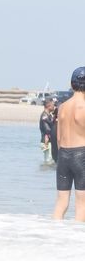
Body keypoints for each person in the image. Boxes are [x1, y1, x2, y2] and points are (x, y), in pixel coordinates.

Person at [53, 67, 85, 221]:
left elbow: (59, 138)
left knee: (61, 203)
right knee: (82, 204)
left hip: (64, 155)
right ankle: (76, 243)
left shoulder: (62, 107)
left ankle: (53, 238)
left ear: (72, 84)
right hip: (81, 155)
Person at [39, 99, 56, 163]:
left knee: (50, 160)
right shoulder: (44, 116)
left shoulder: (49, 115)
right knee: (49, 161)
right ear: (48, 105)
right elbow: (47, 130)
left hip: (49, 141)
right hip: (47, 141)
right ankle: (46, 172)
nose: (54, 106)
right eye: (53, 105)